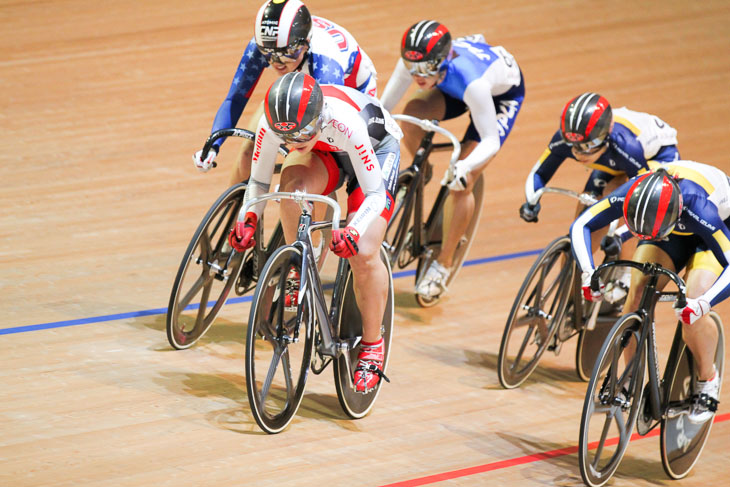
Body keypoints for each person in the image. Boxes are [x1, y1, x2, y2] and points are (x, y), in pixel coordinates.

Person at [229, 72, 402, 393]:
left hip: (374, 151)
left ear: (318, 117)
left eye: (300, 134)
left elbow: (376, 194)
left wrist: (353, 229)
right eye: (287, 139)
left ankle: (372, 346)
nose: (293, 143)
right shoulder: (275, 125)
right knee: (292, 191)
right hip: (325, 151)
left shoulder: (344, 122)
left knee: (364, 251)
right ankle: (300, 268)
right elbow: (259, 183)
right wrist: (248, 217)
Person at [570, 162, 730, 423]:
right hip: (663, 228)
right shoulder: (631, 191)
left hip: (717, 230)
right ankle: (631, 379)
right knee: (636, 295)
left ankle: (707, 378)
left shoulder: (699, 206)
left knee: (694, 301)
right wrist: (588, 272)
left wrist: (704, 303)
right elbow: (582, 225)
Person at [379, 20, 525, 299]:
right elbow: (382, 108)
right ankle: (424, 172)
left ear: (442, 60)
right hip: (450, 84)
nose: (417, 75)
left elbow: (490, 140)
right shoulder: (416, 62)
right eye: (413, 68)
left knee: (463, 181)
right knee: (410, 118)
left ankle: (444, 263)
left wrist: (465, 166)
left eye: (425, 68)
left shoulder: (474, 83)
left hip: (497, 98)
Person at [192, 0, 377, 187]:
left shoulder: (325, 63)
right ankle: (239, 213)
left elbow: (323, 126)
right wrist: (213, 146)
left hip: (349, 93)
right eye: (268, 54)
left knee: (312, 166)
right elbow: (235, 98)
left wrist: (293, 173)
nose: (277, 62)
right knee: (250, 149)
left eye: (288, 53)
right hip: (299, 88)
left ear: (307, 42)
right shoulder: (268, 44)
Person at [521, 93, 680, 299]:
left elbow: (643, 202)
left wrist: (621, 235)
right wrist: (531, 200)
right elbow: (539, 173)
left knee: (634, 203)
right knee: (588, 211)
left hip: (655, 158)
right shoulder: (567, 141)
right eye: (575, 147)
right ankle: (569, 297)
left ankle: (625, 273)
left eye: (587, 146)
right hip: (610, 160)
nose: (580, 153)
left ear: (605, 136)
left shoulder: (625, 146)